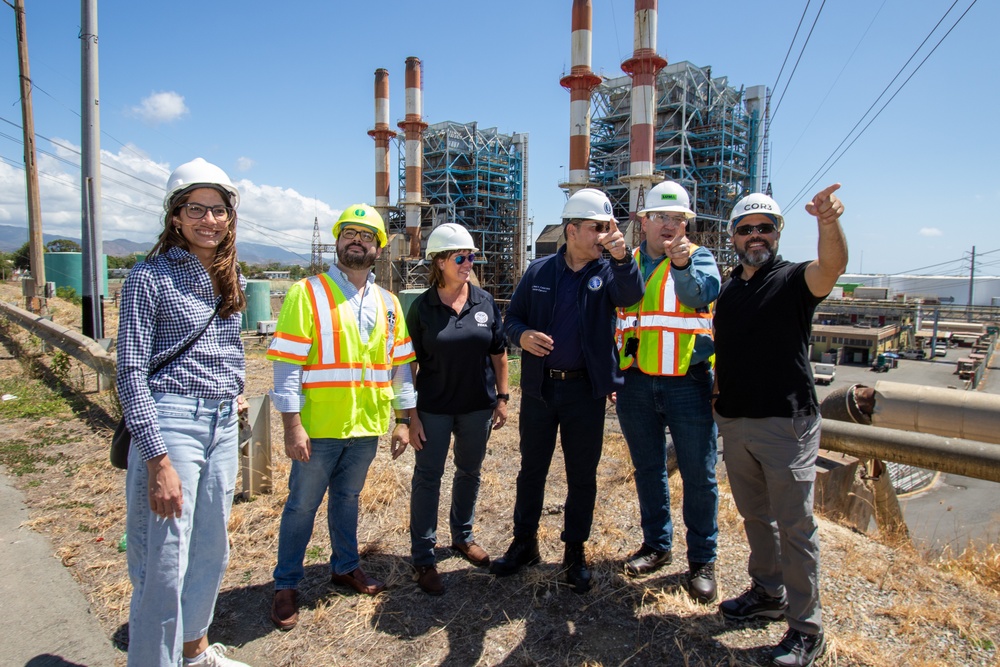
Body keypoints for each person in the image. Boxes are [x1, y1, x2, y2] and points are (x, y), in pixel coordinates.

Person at [117, 158, 251, 666]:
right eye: (196, 209)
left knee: (211, 549)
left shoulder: (226, 273)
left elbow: (230, 345)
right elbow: (130, 372)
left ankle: (194, 652)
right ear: (175, 215)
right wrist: (157, 459)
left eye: (218, 210)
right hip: (171, 421)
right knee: (165, 560)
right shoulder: (148, 277)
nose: (208, 220)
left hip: (220, 423)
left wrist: (236, 388)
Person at [713, 185, 848, 667]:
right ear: (733, 236)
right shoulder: (730, 289)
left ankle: (807, 629)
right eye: (746, 229)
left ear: (777, 233)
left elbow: (831, 268)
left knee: (795, 526)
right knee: (755, 518)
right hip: (736, 421)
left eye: (764, 228)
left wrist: (828, 223)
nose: (755, 236)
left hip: (785, 424)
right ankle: (767, 593)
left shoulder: (793, 280)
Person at [267, 204, 419, 630]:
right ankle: (286, 584)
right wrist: (291, 424)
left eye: (367, 235)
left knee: (348, 500)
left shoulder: (389, 304)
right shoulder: (307, 293)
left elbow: (400, 366)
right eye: (350, 233)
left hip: (365, 426)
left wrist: (403, 418)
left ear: (378, 248)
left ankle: (345, 566)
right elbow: (287, 366)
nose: (358, 240)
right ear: (337, 241)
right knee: (301, 505)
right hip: (318, 428)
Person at [490, 188, 644, 593]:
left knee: (582, 476)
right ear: (571, 230)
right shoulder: (540, 272)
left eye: (609, 227)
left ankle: (575, 550)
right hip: (542, 391)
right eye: (597, 227)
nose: (604, 234)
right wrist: (521, 337)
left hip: (584, 393)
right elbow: (512, 318)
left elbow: (633, 297)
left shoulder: (609, 272)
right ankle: (524, 543)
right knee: (531, 471)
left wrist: (622, 256)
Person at [614, 181, 721, 603]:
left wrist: (681, 266)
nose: (672, 225)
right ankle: (657, 546)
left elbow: (701, 294)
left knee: (699, 474)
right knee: (649, 469)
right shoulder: (627, 262)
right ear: (644, 221)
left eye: (679, 219)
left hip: (687, 383)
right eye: (662, 217)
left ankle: (702, 561)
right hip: (637, 382)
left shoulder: (700, 259)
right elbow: (615, 319)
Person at [406, 223, 510, 595]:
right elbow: (407, 365)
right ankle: (423, 556)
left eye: (471, 256)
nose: (468, 263)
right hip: (433, 408)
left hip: (477, 409)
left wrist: (503, 398)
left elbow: (499, 355)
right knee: (428, 477)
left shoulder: (484, 302)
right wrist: (409, 415)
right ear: (439, 262)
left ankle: (462, 537)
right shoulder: (422, 307)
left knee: (469, 472)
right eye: (460, 257)